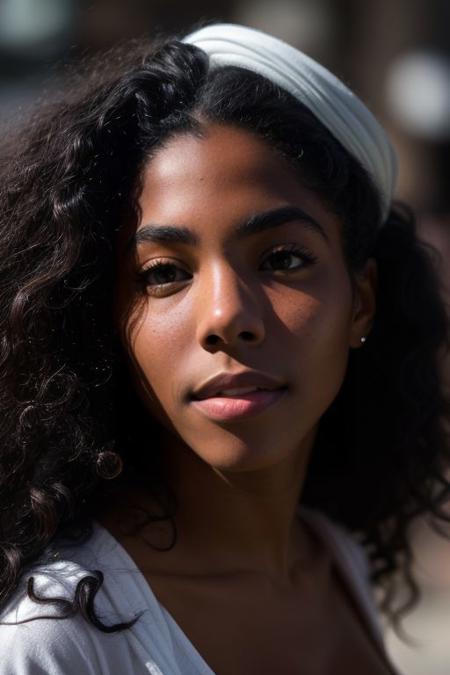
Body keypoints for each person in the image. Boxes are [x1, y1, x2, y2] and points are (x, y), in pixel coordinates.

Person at [0, 21, 447, 675]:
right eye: (164, 272)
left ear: (362, 300)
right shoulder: (55, 642)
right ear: (104, 319)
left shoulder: (333, 556)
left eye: (283, 258)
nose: (226, 315)